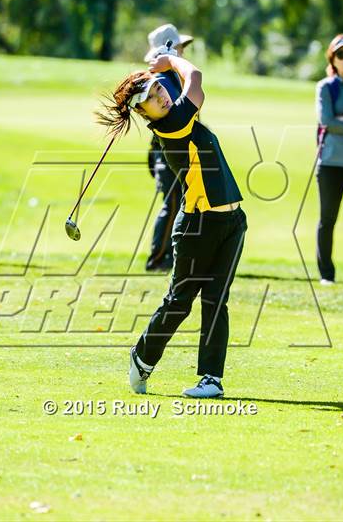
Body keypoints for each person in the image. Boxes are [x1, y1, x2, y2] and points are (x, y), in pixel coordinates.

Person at [97, 52, 247, 398]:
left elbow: (187, 92)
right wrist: (171, 60)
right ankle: (143, 357)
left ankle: (211, 378)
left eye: (156, 89)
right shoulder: (171, 124)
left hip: (232, 221)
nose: (159, 95)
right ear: (141, 111)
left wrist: (165, 68)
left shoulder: (183, 118)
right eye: (148, 97)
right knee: (181, 299)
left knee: (216, 300)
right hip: (199, 225)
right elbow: (194, 79)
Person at [144, 24, 193, 271]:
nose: (184, 52)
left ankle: (172, 258)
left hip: (177, 153)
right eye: (181, 47)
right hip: (168, 154)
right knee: (172, 204)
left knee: (178, 205)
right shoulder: (162, 79)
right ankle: (158, 259)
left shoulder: (172, 76)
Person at [315, 34, 343, 285]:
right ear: (333, 59)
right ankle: (326, 275)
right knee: (327, 219)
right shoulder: (325, 87)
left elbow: (339, 121)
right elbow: (328, 121)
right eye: (341, 54)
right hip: (331, 163)